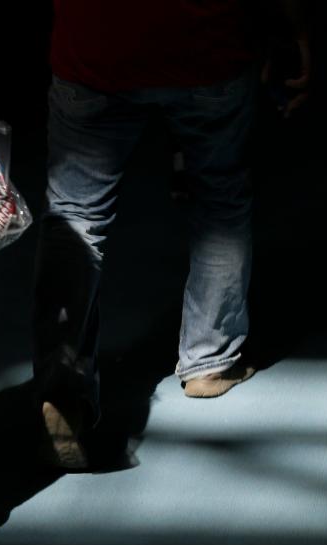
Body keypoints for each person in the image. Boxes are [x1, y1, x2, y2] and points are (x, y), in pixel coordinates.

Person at [35, 0, 310, 468]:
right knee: (219, 199)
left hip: (94, 47)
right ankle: (210, 358)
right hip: (208, 50)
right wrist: (292, 33)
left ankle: (64, 393)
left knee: (75, 216)